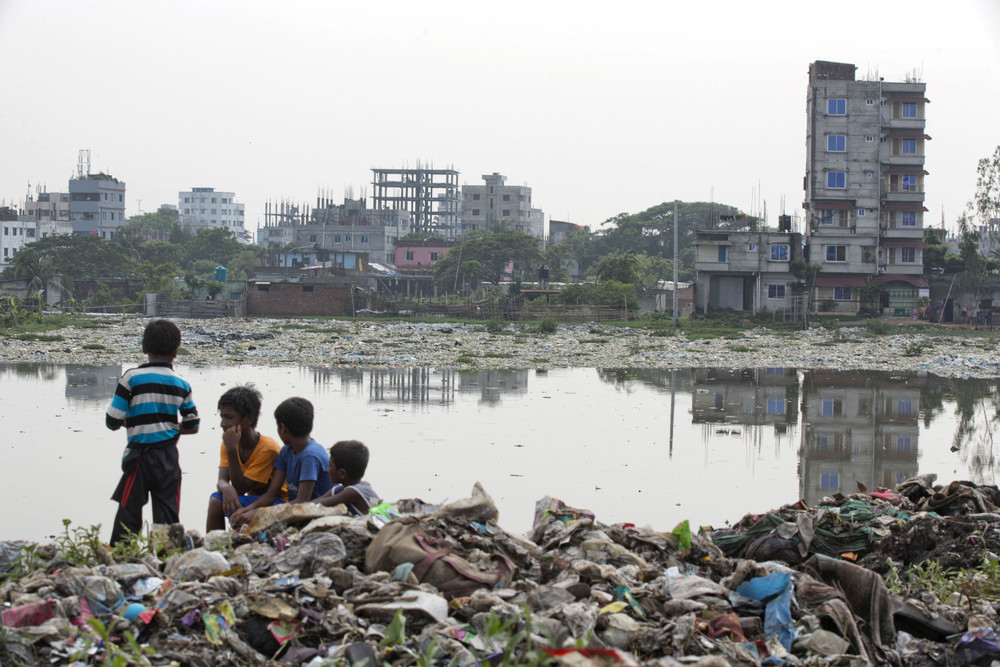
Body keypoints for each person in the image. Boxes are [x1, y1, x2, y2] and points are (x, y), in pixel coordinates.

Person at [106, 319, 200, 546]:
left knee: (129, 511)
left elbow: (112, 420)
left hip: (140, 456)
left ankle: (121, 555)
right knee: (167, 512)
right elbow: (193, 425)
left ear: (144, 348)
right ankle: (167, 558)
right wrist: (167, 425)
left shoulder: (131, 378)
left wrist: (135, 421)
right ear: (176, 351)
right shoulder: (182, 384)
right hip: (168, 456)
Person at [230, 397, 333, 530]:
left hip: (315, 513)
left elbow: (302, 502)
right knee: (244, 516)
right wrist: (249, 509)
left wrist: (259, 513)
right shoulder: (287, 451)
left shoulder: (310, 456)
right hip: (295, 508)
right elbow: (271, 494)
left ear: (283, 428)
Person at [206, 384, 287, 532]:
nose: (223, 424)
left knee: (218, 502)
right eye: (222, 416)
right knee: (216, 500)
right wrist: (226, 487)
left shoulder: (267, 449)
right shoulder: (230, 443)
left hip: (276, 502)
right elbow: (222, 479)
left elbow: (241, 487)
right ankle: (214, 546)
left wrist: (231, 450)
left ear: (249, 419)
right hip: (252, 500)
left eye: (229, 418)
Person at [315, 440, 381, 516]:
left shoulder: (354, 492)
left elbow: (318, 505)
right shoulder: (341, 489)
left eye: (330, 466)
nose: (328, 469)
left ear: (342, 473)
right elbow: (311, 504)